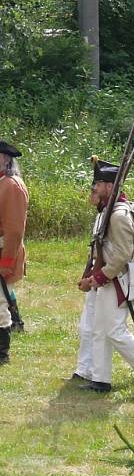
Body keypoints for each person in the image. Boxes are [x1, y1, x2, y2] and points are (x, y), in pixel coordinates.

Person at [74, 157, 134, 393]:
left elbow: (123, 255)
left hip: (118, 280)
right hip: (108, 278)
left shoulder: (118, 215)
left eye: (99, 183)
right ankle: (101, 379)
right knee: (99, 328)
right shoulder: (107, 212)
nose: (94, 187)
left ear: (110, 187)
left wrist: (99, 278)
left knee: (114, 330)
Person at [0, 140, 29, 364]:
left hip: (3, 251)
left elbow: (14, 229)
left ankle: (2, 353)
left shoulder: (12, 185)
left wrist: (7, 261)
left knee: (0, 303)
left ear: (5, 159)